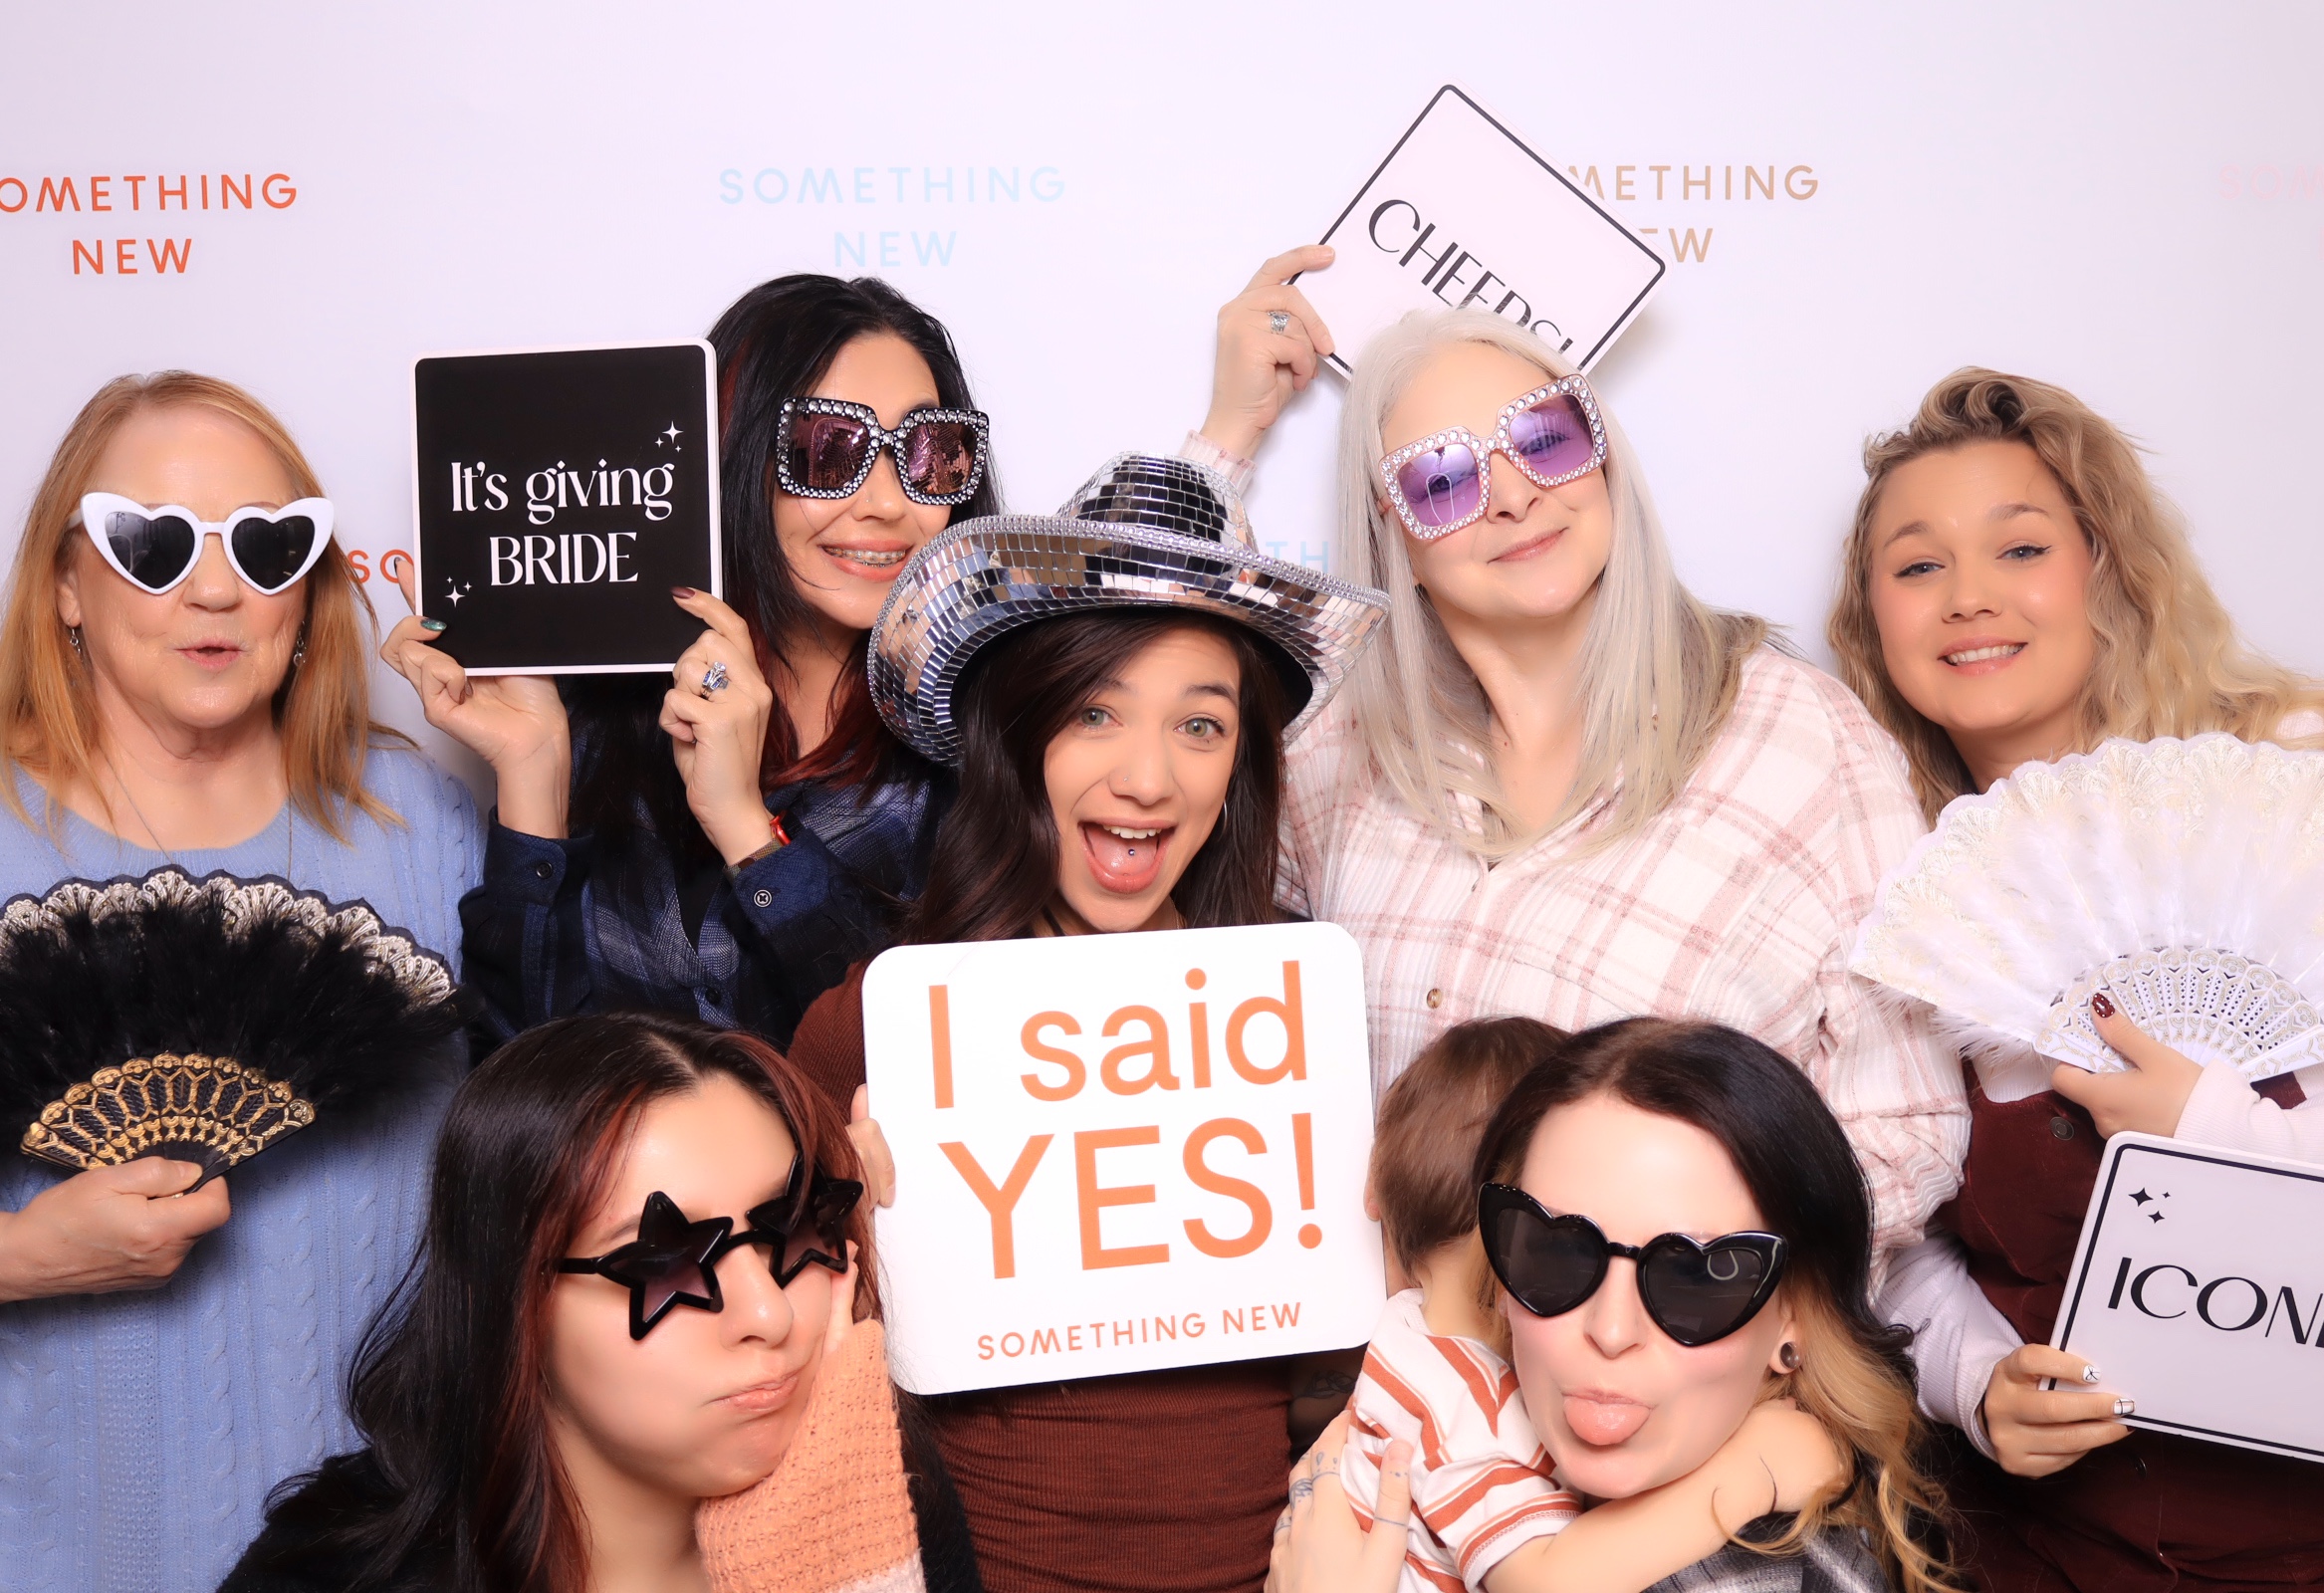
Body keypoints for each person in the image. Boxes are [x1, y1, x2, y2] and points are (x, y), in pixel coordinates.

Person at [1191, 250, 1967, 1263]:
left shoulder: (1804, 742)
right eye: (1442, 477)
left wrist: (1687, 1297)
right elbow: (1133, 760)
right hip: (1379, 1349)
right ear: (1394, 533)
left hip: (1673, 1353)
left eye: (1543, 438)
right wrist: (1224, 441)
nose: (1512, 496)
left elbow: (1906, 1129)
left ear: (1601, 456)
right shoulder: (1336, 752)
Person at [787, 452, 1389, 1593]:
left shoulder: (1294, 1020)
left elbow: (1340, 1365)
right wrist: (841, 1250)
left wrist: (1379, 1245)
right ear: (1016, 736)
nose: (1148, 778)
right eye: (1094, 712)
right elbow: (765, 1388)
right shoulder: (876, 1032)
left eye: (1201, 725)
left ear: (1241, 766)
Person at [1832, 367, 2324, 1587]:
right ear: (1873, 621)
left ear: (2107, 570)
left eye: (2021, 546)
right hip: (2053, 1553)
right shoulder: (1903, 897)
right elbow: (1896, 1237)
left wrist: (2214, 1123)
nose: (1968, 595)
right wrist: (1975, 1378)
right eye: (1917, 566)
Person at [0, 371, 478, 1590]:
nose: (215, 588)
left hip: (383, 1558)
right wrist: (21, 1257)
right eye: (154, 542)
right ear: (66, 582)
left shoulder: (422, 825)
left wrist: (535, 792)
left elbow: (544, 1178)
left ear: (307, 590)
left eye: (267, 545)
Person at [385, 275, 995, 1049]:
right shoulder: (610, 732)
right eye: (827, 449)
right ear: (732, 458)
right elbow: (516, 1079)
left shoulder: (983, 749)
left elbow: (933, 1059)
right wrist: (533, 769)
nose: (887, 502)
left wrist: (747, 828)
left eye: (929, 452)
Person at [221, 1010, 980, 1593]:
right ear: (514, 1299)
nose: (768, 1315)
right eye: (666, 1263)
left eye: (794, 1230)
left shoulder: (882, 1501)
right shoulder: (333, 1576)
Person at [1278, 1017, 1962, 1593]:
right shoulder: (1447, 1392)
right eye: (1556, 1255)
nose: (1610, 1330)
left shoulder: (1760, 1574)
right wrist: (1748, 1474)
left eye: (1692, 1277)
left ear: (1796, 1315)